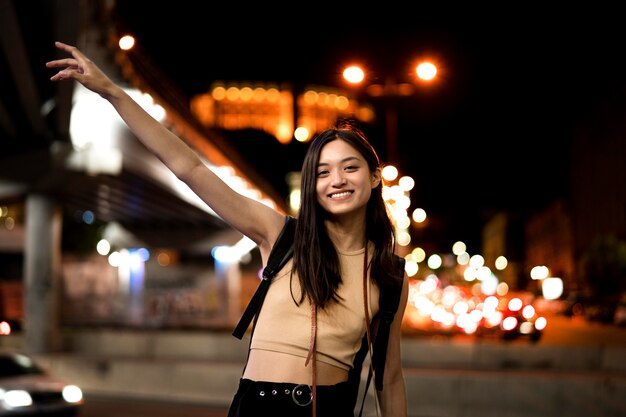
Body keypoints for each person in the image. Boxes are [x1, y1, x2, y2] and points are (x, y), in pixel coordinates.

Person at [47, 41, 409, 417]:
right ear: (311, 185)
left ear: (375, 177)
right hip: (256, 407)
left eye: (350, 167)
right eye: (322, 172)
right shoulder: (281, 235)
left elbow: (390, 378)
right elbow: (191, 168)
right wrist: (112, 92)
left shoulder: (389, 275)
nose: (337, 180)